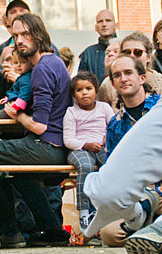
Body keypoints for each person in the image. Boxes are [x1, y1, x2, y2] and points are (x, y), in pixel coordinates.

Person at [80, 55, 162, 249]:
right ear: (112, 83)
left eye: (128, 73)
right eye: (117, 75)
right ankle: (153, 230)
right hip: (142, 195)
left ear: (142, 78)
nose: (123, 78)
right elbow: (115, 167)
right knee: (110, 234)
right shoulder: (115, 124)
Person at [0, 13, 71, 248]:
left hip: (46, 146)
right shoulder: (52, 62)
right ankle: (52, 229)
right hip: (54, 146)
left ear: (39, 35)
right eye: (15, 36)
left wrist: (17, 114)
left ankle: (9, 232)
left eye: (25, 34)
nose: (19, 40)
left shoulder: (42, 68)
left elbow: (39, 126)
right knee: (19, 173)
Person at [62, 72, 114, 233]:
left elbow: (113, 126)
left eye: (89, 88)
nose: (84, 93)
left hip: (101, 147)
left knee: (110, 166)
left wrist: (107, 137)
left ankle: (109, 208)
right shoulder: (71, 112)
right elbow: (68, 140)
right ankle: (84, 212)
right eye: (79, 90)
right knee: (86, 166)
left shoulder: (104, 108)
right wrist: (86, 145)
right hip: (79, 149)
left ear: (96, 91)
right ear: (74, 95)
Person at [98, 32, 162, 110]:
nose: (132, 56)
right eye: (126, 52)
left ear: (149, 57)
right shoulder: (108, 84)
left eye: (138, 52)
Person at [0, 48, 32, 119]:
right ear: (2, 64)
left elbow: (25, 94)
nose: (18, 65)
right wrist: (6, 99)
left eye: (23, 62)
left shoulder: (27, 78)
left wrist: (16, 106)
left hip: (18, 110)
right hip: (7, 107)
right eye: (15, 62)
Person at [78, 9, 118, 83]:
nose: (104, 24)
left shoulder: (126, 49)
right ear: (96, 27)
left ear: (116, 25)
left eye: (108, 20)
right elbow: (82, 83)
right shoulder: (88, 54)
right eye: (100, 21)